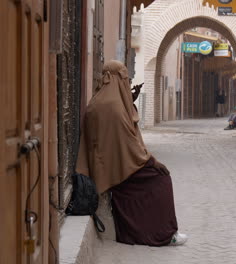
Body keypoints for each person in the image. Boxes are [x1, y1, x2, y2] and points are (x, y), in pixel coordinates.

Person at [76, 60, 187, 247]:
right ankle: (165, 234)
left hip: (108, 165)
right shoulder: (113, 107)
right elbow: (129, 143)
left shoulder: (99, 100)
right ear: (118, 79)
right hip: (118, 169)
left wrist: (130, 100)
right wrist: (152, 161)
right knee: (161, 180)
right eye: (125, 80)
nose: (127, 84)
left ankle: (140, 230)